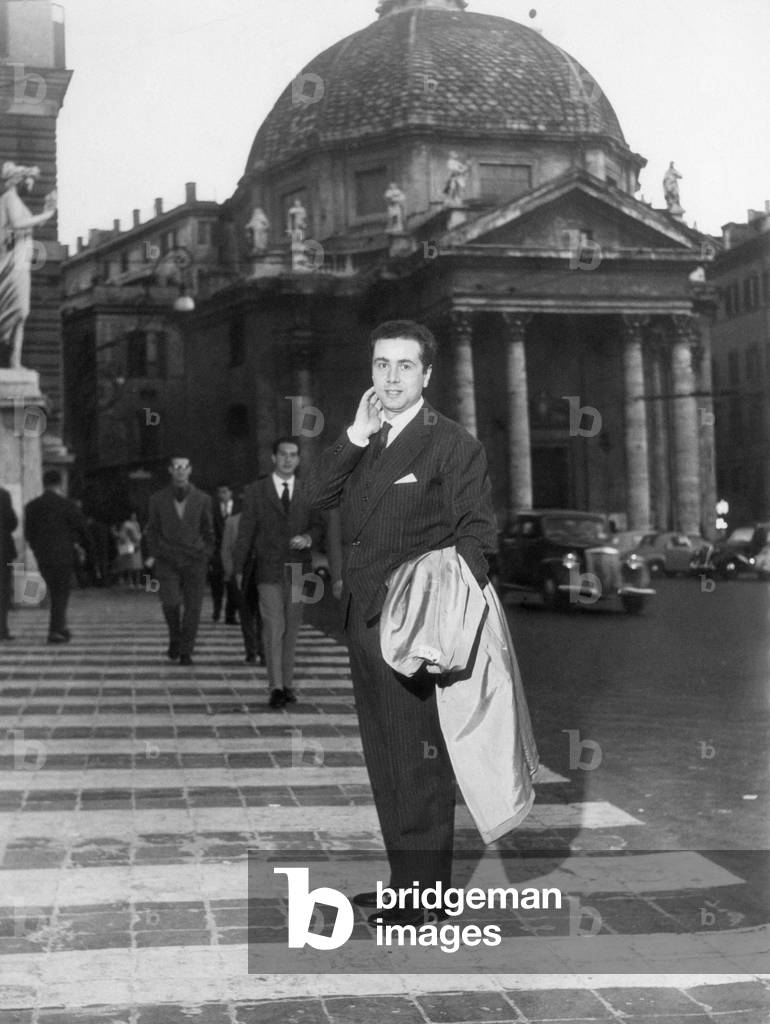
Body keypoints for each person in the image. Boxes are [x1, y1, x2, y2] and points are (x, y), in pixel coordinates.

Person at [307, 320, 498, 927]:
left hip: (412, 626)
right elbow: (313, 497)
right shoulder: (368, 439)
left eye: (404, 366)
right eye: (381, 365)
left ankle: (425, 899)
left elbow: (477, 538)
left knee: (417, 761)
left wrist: (436, 608)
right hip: (361, 620)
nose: (390, 377)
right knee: (386, 757)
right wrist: (354, 436)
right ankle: (405, 885)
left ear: (427, 374)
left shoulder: (451, 443)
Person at [233, 438, 323, 708]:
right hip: (268, 569)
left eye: (293, 455)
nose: (288, 459)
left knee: (292, 628)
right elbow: (246, 531)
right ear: (274, 457)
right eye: (283, 454)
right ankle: (276, 687)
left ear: (298, 459)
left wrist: (308, 537)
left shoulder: (308, 490)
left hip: (298, 569)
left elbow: (319, 525)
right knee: (274, 626)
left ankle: (288, 683)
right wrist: (238, 567)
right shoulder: (256, 491)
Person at [145, 456, 214, 666]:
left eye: (184, 467)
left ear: (190, 470)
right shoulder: (157, 499)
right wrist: (156, 553)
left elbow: (209, 529)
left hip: (195, 559)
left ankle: (186, 650)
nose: (181, 471)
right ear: (170, 470)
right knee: (170, 602)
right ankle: (175, 637)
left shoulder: (203, 499)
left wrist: (206, 553)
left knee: (193, 607)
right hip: (167, 559)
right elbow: (152, 530)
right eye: (177, 467)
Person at [24, 470, 92, 643]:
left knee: (55, 591)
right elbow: (82, 529)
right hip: (63, 555)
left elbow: (28, 533)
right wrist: (85, 547)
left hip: (43, 556)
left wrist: (36, 549)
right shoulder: (68, 505)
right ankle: (56, 630)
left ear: (44, 483)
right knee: (60, 592)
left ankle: (60, 627)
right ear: (60, 484)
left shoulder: (32, 506)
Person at [0, 162, 57, 370]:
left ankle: (14, 362)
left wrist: (47, 210)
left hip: (21, 264)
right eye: (30, 181)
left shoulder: (18, 203)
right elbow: (17, 224)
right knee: (17, 311)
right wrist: (47, 215)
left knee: (21, 313)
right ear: (19, 180)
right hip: (11, 265)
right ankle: (12, 361)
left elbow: (27, 224)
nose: (31, 186)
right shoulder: (9, 198)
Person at [221, 501, 264, 665]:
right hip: (241, 574)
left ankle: (264, 651)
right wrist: (230, 572)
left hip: (263, 574)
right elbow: (226, 549)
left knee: (264, 616)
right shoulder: (232, 522)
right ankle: (251, 651)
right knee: (246, 615)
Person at [210, 484, 238, 624]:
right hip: (217, 553)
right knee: (216, 584)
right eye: (220, 492)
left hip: (234, 552)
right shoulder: (213, 510)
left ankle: (230, 614)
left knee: (233, 585)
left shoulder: (239, 508)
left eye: (225, 492)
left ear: (230, 493)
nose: (222, 495)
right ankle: (216, 609)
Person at [0, 485, 18, 640]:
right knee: (3, 590)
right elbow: (12, 522)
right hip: (3, 550)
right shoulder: (3, 494)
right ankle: (2, 629)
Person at [113, 511, 143, 588]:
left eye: (135, 515)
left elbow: (138, 533)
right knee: (130, 564)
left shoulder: (137, 524)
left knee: (138, 565)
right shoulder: (126, 524)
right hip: (130, 545)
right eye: (133, 515)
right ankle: (130, 582)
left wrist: (139, 538)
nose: (134, 517)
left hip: (137, 545)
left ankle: (137, 582)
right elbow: (124, 535)